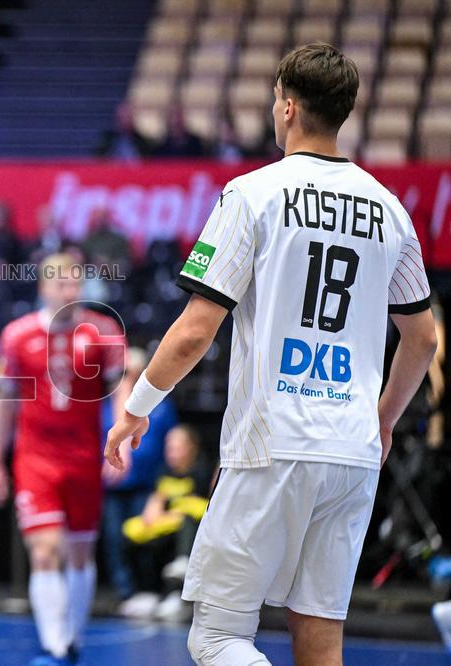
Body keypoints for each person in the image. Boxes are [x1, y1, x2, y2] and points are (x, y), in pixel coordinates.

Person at [104, 43, 439, 666]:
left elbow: (193, 330)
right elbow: (421, 339)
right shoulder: (390, 209)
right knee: (320, 641)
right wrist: (385, 418)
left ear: (286, 107)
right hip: (352, 448)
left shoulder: (251, 194)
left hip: (272, 441)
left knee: (218, 638)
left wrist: (137, 407)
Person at [0, 251, 127, 665]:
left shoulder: (104, 331)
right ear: (43, 286)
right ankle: (54, 646)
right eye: (61, 282)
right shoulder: (17, 335)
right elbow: (4, 402)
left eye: (75, 282)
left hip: (83, 457)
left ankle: (73, 637)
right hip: (36, 459)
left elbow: (120, 391)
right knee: (45, 550)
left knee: (80, 552)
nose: (69, 290)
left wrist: (118, 441)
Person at [101, 347, 175, 604]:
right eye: (123, 373)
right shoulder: (106, 406)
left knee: (146, 536)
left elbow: (169, 443)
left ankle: (148, 590)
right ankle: (126, 592)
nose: (127, 379)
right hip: (113, 486)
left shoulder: (160, 408)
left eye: (133, 373)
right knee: (114, 540)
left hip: (146, 483)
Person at [119, 425, 210, 622]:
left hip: (192, 531)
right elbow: (156, 500)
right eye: (169, 447)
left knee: (187, 521)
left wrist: (177, 512)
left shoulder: (201, 471)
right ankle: (147, 593)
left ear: (191, 448)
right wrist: (152, 513)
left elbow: (202, 505)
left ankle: (181, 572)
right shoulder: (163, 471)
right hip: (166, 525)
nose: (172, 452)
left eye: (177, 447)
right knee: (132, 531)